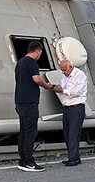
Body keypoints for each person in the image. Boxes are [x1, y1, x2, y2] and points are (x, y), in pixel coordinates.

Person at [14, 41, 53, 172]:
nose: (39, 55)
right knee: (31, 132)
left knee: (24, 131)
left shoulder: (20, 63)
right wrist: (46, 85)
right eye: (40, 53)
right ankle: (29, 162)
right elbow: (36, 79)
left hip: (20, 101)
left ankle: (23, 160)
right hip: (29, 102)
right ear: (37, 51)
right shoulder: (31, 63)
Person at [52, 58, 87, 165]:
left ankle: (74, 159)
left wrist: (62, 90)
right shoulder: (64, 77)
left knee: (73, 133)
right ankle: (74, 156)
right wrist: (58, 88)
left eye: (64, 69)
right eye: (61, 70)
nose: (63, 72)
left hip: (76, 107)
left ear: (70, 67)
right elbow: (64, 90)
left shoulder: (80, 75)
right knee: (67, 134)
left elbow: (77, 92)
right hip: (67, 107)